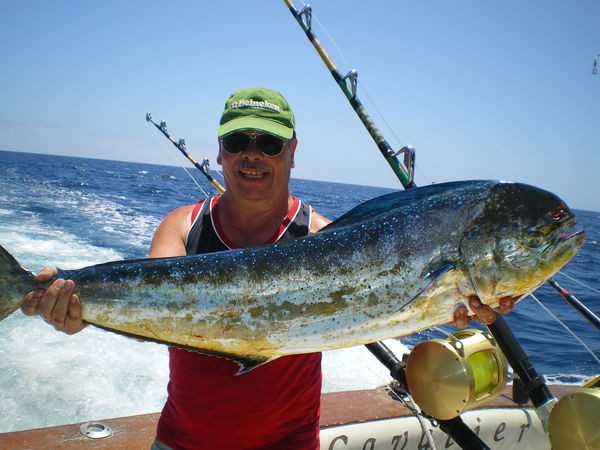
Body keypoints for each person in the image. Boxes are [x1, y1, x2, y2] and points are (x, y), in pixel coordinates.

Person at [21, 87, 512, 450]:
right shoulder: (183, 226)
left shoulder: (326, 238)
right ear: (220, 151)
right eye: (238, 141)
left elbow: (395, 299)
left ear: (292, 152)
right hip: (182, 443)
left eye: (269, 144)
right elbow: (152, 310)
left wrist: (453, 306)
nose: (252, 155)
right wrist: (79, 310)